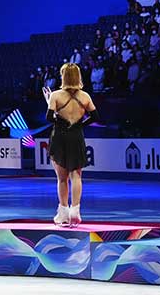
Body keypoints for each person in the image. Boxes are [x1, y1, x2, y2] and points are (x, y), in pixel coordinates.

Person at [43, 62, 98, 227]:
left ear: (64, 77)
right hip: (76, 136)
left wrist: (50, 102)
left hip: (60, 136)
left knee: (62, 178)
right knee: (76, 175)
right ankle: (76, 211)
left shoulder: (56, 96)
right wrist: (80, 125)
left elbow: (49, 117)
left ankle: (64, 213)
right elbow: (95, 116)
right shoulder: (85, 97)